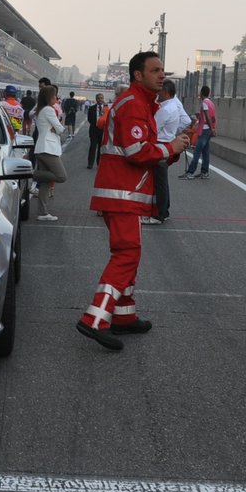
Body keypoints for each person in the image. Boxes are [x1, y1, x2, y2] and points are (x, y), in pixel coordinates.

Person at [77, 51, 191, 350]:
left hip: (124, 193)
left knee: (129, 253)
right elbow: (136, 151)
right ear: (138, 75)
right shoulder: (133, 104)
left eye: (163, 70)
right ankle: (95, 318)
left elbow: (147, 150)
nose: (162, 75)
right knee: (127, 254)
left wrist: (172, 149)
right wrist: (170, 147)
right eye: (155, 70)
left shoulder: (141, 104)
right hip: (122, 194)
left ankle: (124, 316)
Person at [147, 79, 191, 225]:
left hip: (161, 145)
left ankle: (160, 213)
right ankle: (164, 210)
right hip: (167, 143)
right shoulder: (173, 105)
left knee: (159, 181)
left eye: (159, 90)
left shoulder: (165, 109)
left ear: (165, 92)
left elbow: (153, 129)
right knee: (162, 181)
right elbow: (184, 122)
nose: (156, 93)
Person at [30, 84, 66, 221]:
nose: (56, 98)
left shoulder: (41, 110)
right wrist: (56, 128)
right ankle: (31, 174)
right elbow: (61, 129)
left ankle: (42, 213)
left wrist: (55, 128)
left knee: (45, 183)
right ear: (49, 97)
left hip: (43, 148)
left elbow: (56, 128)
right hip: (48, 149)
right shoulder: (49, 110)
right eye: (54, 96)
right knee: (61, 176)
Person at [180, 85, 217, 179]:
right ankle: (204, 172)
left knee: (197, 152)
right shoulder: (211, 103)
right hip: (208, 130)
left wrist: (211, 128)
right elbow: (211, 117)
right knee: (205, 152)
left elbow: (208, 117)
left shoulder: (204, 102)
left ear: (201, 93)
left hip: (205, 130)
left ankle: (190, 173)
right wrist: (212, 128)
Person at [85, 94, 106, 169]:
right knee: (93, 146)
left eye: (101, 98)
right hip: (94, 130)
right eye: (99, 98)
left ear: (103, 99)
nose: (100, 99)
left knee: (101, 148)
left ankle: (99, 163)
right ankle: (90, 163)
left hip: (103, 130)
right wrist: (96, 124)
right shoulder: (91, 108)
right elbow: (89, 119)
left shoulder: (107, 109)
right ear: (96, 99)